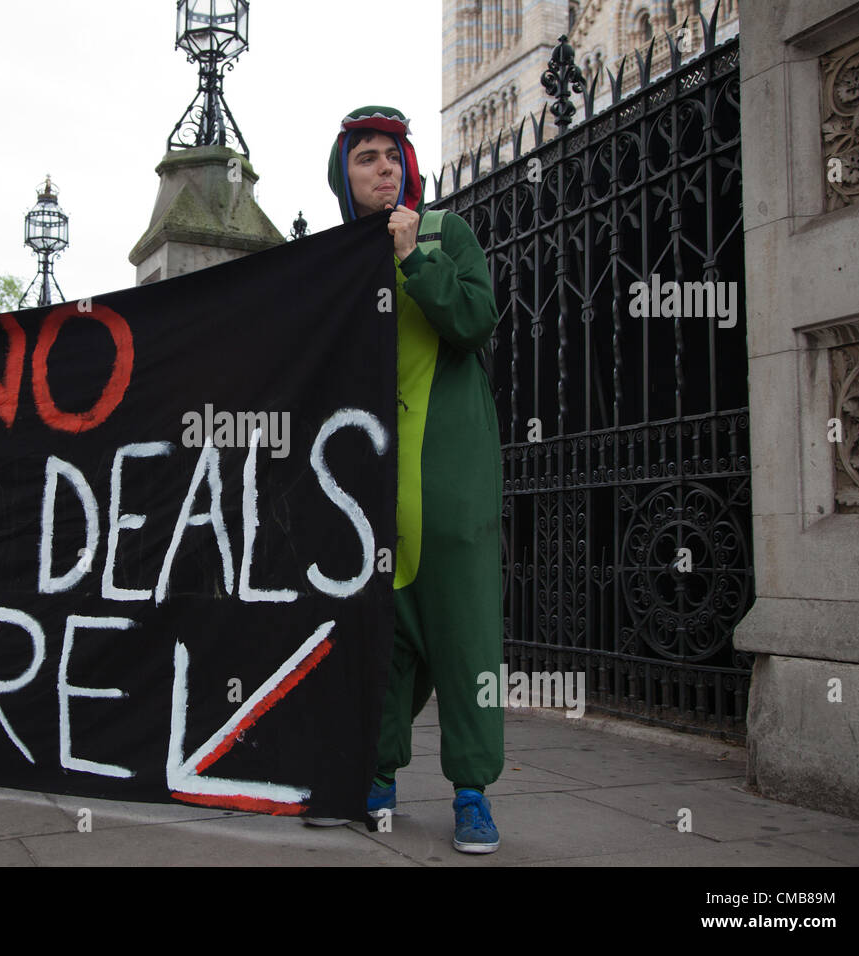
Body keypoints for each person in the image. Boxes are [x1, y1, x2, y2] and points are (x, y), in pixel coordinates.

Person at [314, 106, 505, 853]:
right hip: (370, 483)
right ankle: (376, 779)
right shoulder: (332, 258)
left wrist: (413, 255)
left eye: (392, 156)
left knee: (463, 637)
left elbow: (475, 321)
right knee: (381, 637)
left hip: (450, 480)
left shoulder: (444, 234)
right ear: (344, 175)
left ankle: (471, 793)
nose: (383, 167)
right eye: (365, 157)